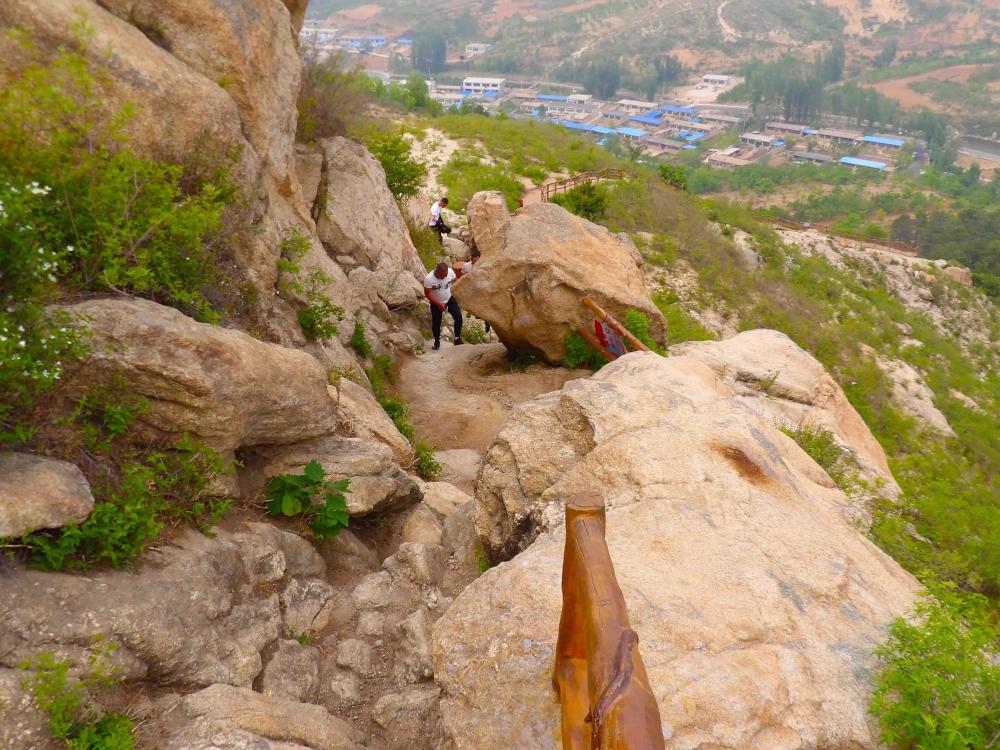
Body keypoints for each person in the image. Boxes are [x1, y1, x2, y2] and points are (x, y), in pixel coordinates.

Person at [424, 261, 462, 350]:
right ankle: (437, 341)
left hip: (449, 298)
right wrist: (438, 304)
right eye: (442, 276)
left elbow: (456, 280)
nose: (444, 277)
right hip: (436, 302)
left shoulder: (450, 272)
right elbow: (427, 294)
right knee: (436, 324)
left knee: (458, 317)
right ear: (437, 271)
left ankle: (457, 339)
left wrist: (457, 292)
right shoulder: (429, 279)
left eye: (446, 275)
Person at [455, 249, 490, 334]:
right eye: (473, 260)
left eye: (476, 260)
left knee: (484, 306)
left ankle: (487, 322)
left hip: (481, 288)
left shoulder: (484, 266)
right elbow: (462, 277)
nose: (474, 262)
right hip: (470, 289)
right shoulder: (467, 266)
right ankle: (472, 315)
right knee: (471, 305)